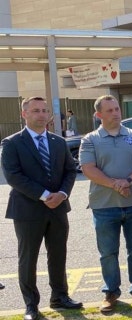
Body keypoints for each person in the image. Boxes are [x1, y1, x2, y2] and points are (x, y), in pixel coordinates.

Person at [1, 97, 81, 320]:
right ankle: (31, 305)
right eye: (36, 110)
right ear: (24, 114)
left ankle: (60, 297)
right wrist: (45, 196)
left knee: (58, 254)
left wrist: (62, 194)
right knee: (28, 259)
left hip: (58, 208)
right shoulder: (12, 143)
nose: (42, 114)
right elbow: (13, 176)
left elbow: (70, 171)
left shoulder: (58, 142)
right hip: (28, 211)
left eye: (45, 111)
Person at [79, 95, 132, 312]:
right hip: (104, 206)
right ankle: (111, 292)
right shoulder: (90, 139)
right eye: (110, 110)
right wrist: (116, 184)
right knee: (108, 252)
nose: (116, 113)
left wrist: (129, 181)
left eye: (117, 109)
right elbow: (88, 169)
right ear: (99, 115)